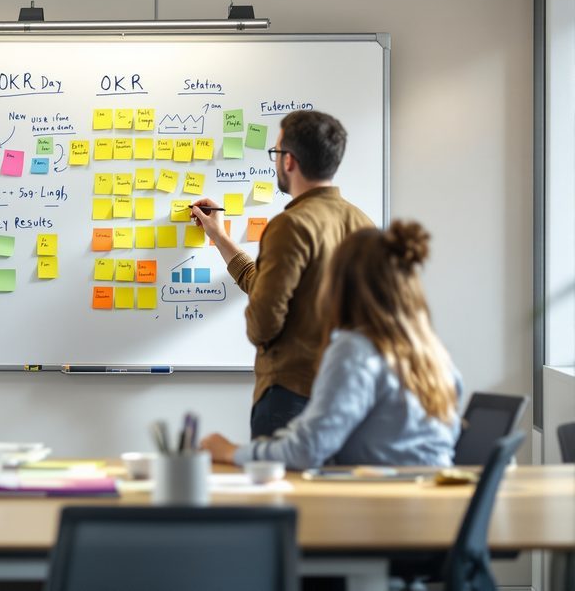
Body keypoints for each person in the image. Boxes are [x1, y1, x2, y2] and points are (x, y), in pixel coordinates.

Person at [200, 221, 463, 469]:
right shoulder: (433, 353)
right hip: (433, 500)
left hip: (384, 505)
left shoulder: (356, 350)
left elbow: (307, 449)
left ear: (342, 285)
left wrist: (230, 451)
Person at [191, 110, 373, 439]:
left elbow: (263, 321)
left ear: (289, 161)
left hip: (291, 397)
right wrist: (219, 236)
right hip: (350, 396)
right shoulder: (364, 224)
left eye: (275, 152)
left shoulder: (291, 225)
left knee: (280, 490)